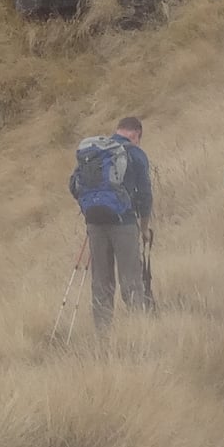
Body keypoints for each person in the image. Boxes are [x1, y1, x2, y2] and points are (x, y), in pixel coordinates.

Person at [67, 115, 153, 331]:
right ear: (136, 134)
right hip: (124, 222)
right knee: (131, 281)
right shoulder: (134, 153)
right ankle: (138, 333)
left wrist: (93, 205)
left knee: (101, 283)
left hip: (95, 223)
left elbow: (73, 185)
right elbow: (145, 195)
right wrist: (143, 228)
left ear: (118, 130)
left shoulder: (95, 151)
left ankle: (102, 336)